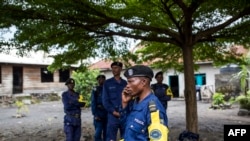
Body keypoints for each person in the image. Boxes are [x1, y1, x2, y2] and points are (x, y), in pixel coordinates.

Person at [119, 65, 169, 140]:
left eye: (131, 81)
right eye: (127, 82)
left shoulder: (153, 108)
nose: (127, 86)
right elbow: (127, 130)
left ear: (143, 82)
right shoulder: (134, 102)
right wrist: (124, 103)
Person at [102, 61, 127, 141]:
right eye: (112, 68)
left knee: (126, 137)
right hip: (113, 116)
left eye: (116, 68)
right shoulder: (107, 83)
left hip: (124, 115)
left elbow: (129, 99)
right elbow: (105, 100)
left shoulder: (125, 83)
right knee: (111, 138)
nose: (114, 70)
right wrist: (113, 112)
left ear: (120, 69)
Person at [91, 75, 108, 141]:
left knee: (106, 133)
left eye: (102, 79)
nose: (101, 80)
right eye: (99, 79)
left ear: (105, 80)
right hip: (98, 113)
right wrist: (95, 114)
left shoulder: (107, 89)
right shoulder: (95, 89)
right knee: (97, 134)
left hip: (106, 113)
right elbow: (93, 102)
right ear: (97, 81)